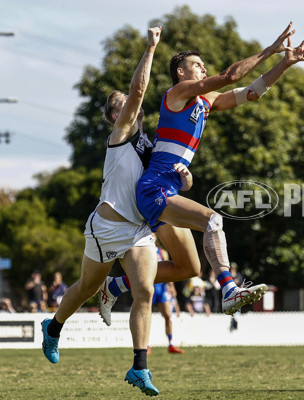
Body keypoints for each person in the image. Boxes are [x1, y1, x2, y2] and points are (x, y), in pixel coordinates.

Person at [103, 22, 304, 318]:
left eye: (203, 66)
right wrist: (270, 49)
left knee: (189, 267)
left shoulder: (205, 103)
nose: (203, 69)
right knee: (213, 220)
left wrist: (284, 63)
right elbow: (230, 76)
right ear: (181, 72)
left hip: (166, 190)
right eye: (197, 65)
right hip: (154, 189)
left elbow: (252, 92)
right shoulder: (176, 94)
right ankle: (229, 289)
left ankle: (114, 286)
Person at [41, 27, 168, 396]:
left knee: (144, 291)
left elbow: (173, 181)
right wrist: (150, 47)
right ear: (114, 115)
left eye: (125, 101)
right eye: (119, 102)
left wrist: (185, 176)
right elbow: (140, 90)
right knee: (87, 288)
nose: (126, 103)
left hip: (140, 230)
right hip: (107, 228)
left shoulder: (151, 145)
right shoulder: (120, 134)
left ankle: (139, 367)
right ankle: (54, 328)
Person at [148, 236, 184, 355]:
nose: (152, 236)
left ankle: (171, 344)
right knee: (146, 316)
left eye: (153, 234)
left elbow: (169, 271)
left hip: (162, 287)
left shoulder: (162, 252)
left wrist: (172, 287)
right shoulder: (145, 251)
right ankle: (145, 345)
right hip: (150, 286)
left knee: (168, 315)